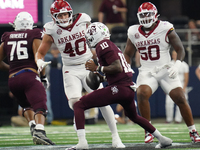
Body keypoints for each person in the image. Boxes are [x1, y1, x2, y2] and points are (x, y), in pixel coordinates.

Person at [65, 22, 173, 150]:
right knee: (134, 116)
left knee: (79, 104)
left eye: (90, 36)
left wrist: (98, 67)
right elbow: (118, 70)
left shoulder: (102, 45)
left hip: (119, 89)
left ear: (95, 35)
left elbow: (117, 67)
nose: (89, 40)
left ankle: (82, 143)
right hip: (127, 88)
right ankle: (163, 139)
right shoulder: (110, 45)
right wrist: (103, 78)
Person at [35, 0, 125, 148]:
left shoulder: (83, 20)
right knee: (74, 103)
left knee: (103, 101)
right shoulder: (50, 29)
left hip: (88, 65)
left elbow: (97, 37)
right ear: (53, 17)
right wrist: (39, 61)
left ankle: (116, 137)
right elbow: (40, 52)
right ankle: (82, 141)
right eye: (60, 15)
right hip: (70, 68)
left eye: (65, 14)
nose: (63, 18)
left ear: (70, 13)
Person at [123, 2, 200, 144]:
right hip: (146, 71)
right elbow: (127, 53)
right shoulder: (133, 31)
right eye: (143, 15)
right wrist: (126, 71)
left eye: (148, 14)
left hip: (165, 69)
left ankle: (193, 131)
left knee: (180, 97)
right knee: (141, 93)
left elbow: (180, 49)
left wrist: (177, 64)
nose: (145, 17)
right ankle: (148, 131)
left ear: (155, 15)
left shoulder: (165, 27)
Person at [0, 11, 55, 145]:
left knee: (26, 105)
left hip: (13, 80)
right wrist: (43, 77)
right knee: (40, 105)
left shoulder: (8, 36)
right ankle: (40, 131)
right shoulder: (33, 33)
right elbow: (39, 57)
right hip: (29, 76)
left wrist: (13, 69)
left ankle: (32, 125)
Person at [165, 50, 189, 124]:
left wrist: (184, 87)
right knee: (169, 103)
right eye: (173, 54)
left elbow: (186, 77)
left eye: (176, 54)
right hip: (170, 85)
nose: (174, 56)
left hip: (181, 85)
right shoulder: (169, 64)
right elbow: (166, 77)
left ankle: (178, 119)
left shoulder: (184, 65)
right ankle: (169, 119)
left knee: (181, 102)